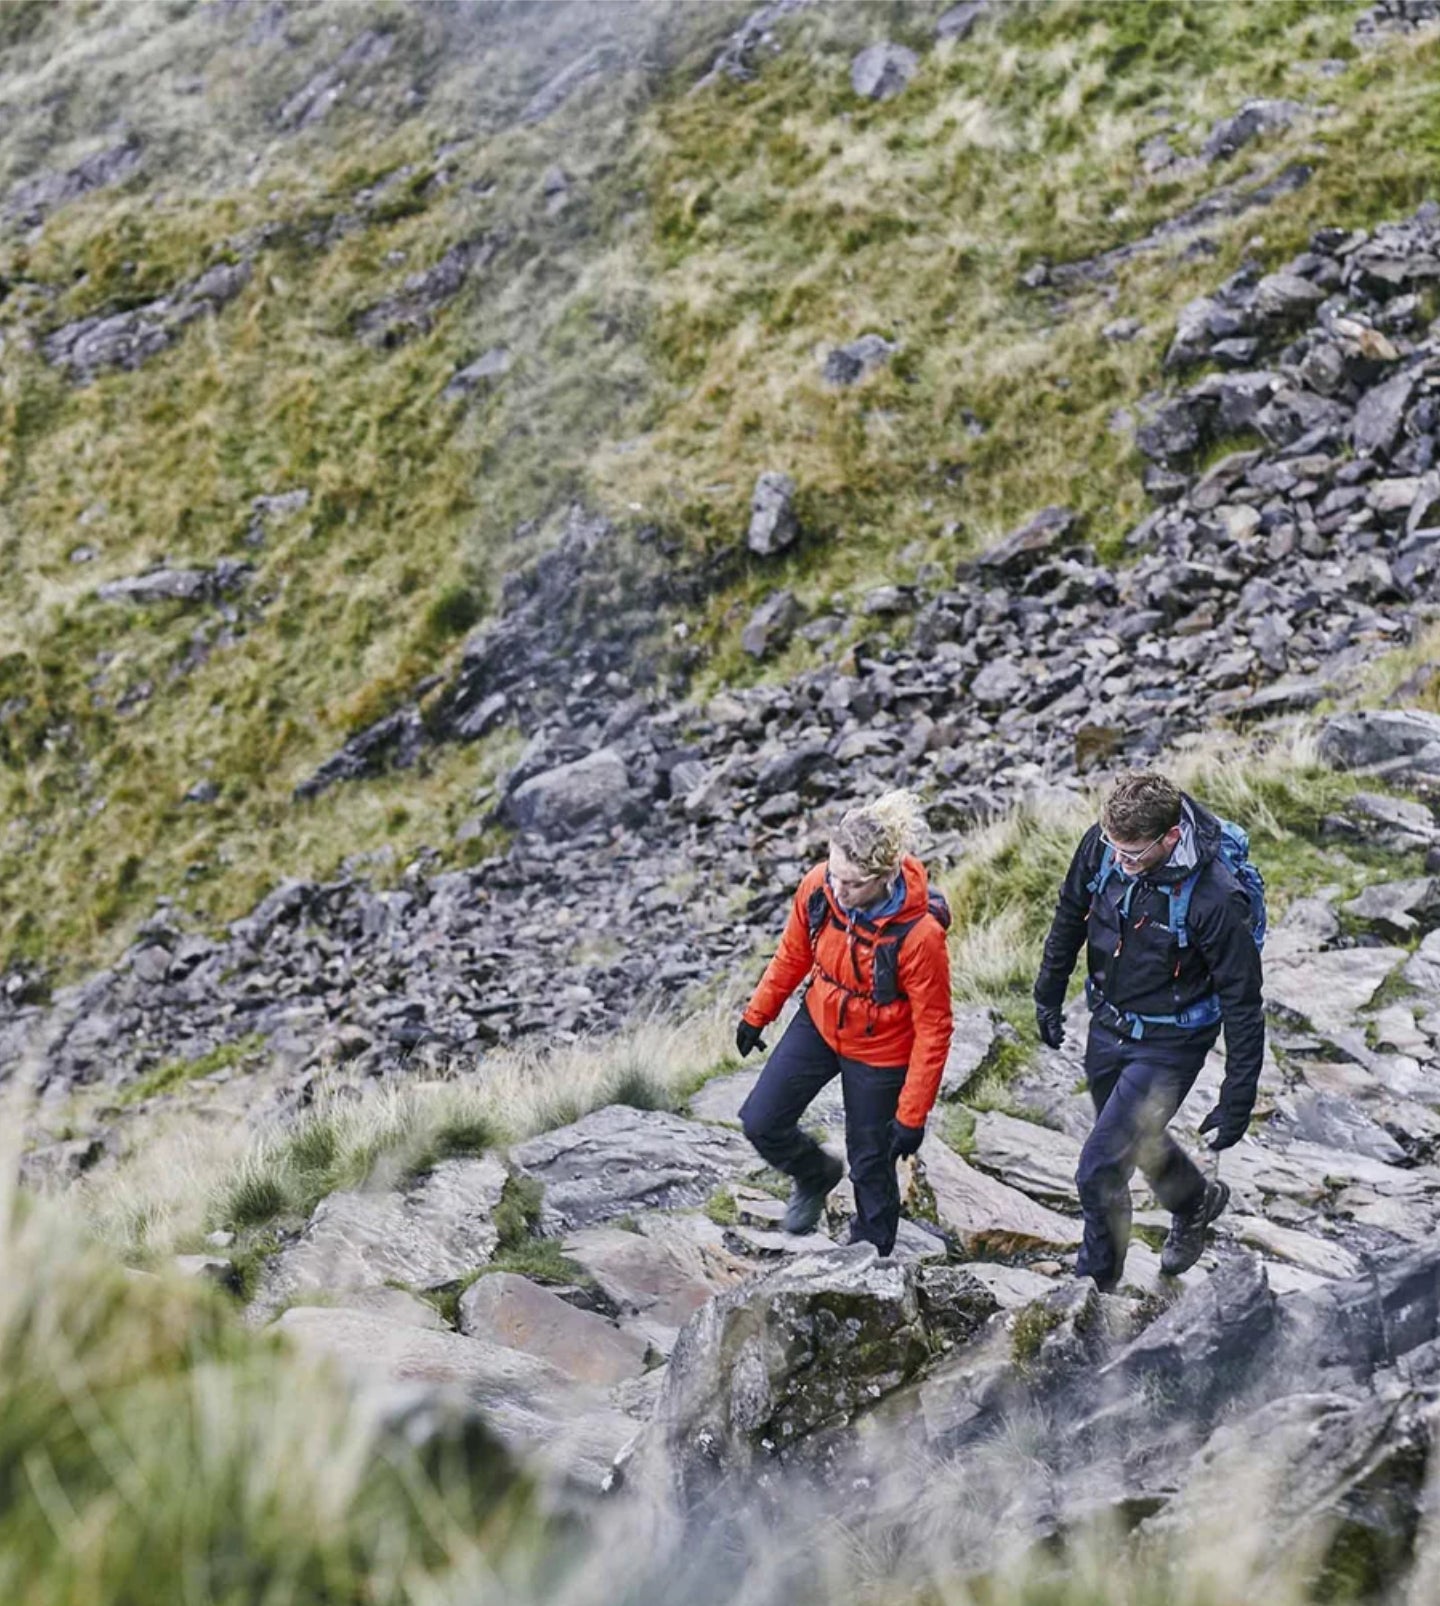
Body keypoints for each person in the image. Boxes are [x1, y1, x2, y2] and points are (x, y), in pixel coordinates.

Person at [1033, 771, 1265, 1292]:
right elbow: (1071, 910)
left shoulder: (1215, 899)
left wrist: (1237, 1096)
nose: (1119, 862)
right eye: (1114, 847)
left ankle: (1093, 1295)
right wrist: (1048, 991)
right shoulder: (1104, 843)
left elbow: (1244, 1003)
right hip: (1109, 1022)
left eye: (1133, 855)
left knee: (1098, 1170)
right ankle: (1195, 1201)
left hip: (1171, 1043)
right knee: (1134, 1138)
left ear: (1171, 838)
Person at [734, 791, 954, 1257]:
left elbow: (934, 1028)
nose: (836, 888)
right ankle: (814, 1173)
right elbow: (794, 953)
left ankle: (872, 1261)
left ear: (883, 877)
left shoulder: (920, 937)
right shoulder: (820, 887)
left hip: (881, 1051)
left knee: (871, 1164)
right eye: (832, 873)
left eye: (851, 883)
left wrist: (912, 1116)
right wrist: (758, 1014)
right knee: (761, 1121)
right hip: (819, 1020)